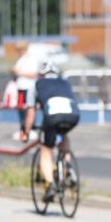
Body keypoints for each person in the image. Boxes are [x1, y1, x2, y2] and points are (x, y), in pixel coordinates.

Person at [20, 61, 80, 202]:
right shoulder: (65, 83)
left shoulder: (36, 85)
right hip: (73, 115)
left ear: (40, 75)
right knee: (63, 135)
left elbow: (31, 113)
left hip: (53, 116)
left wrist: (26, 131)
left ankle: (50, 185)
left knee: (46, 149)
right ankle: (68, 169)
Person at [12, 41, 39, 139]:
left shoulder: (32, 59)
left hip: (29, 88)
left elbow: (33, 74)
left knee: (30, 109)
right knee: (21, 109)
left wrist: (19, 73)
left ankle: (31, 129)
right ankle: (23, 129)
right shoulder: (20, 59)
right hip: (20, 87)